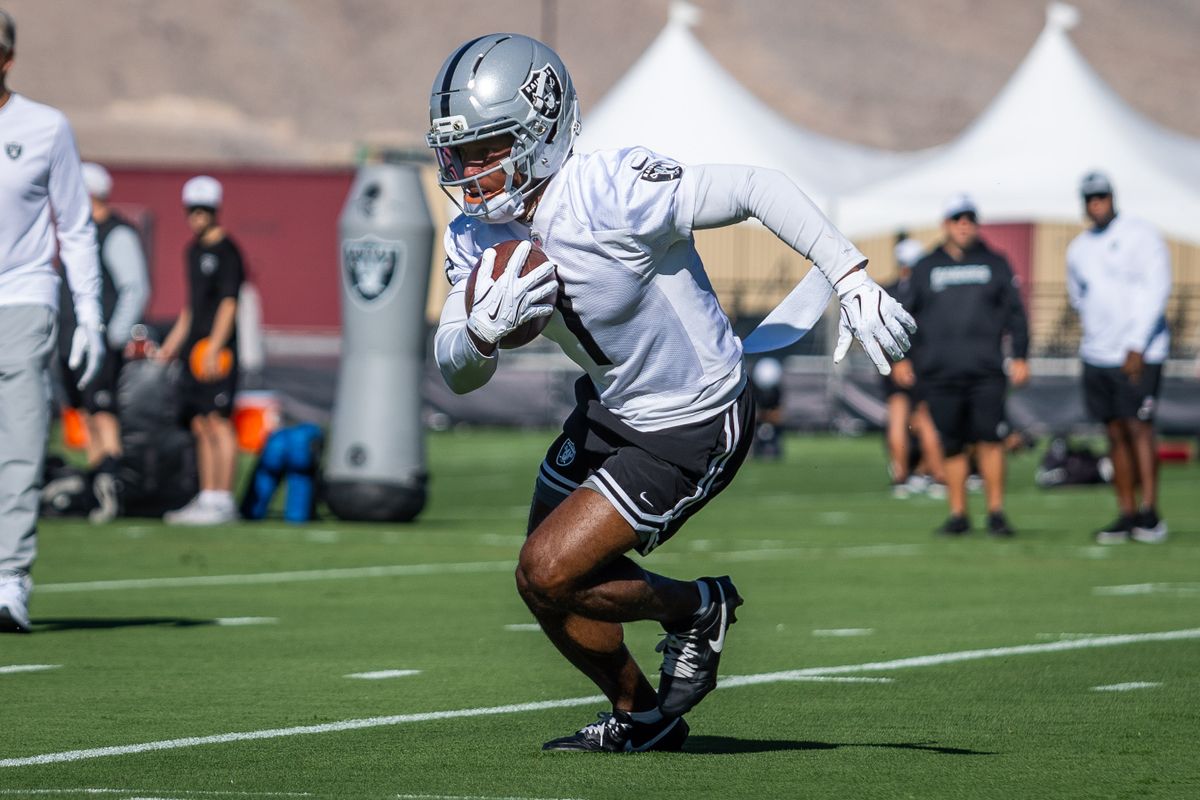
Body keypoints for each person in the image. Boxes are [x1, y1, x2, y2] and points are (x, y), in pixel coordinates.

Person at [426, 33, 915, 752]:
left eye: (485, 148)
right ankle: (644, 718)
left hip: (695, 416)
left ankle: (696, 608)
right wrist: (480, 335)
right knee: (542, 581)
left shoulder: (609, 189)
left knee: (549, 569)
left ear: (540, 129)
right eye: (456, 153)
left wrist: (849, 276)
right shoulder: (473, 234)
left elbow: (756, 187)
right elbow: (454, 368)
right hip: (610, 410)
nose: (467, 172)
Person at [0, 7, 105, 632]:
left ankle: (9, 577)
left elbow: (76, 225)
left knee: (18, 441)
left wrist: (88, 315)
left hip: (24, 296)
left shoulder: (44, 128)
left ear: (7, 58)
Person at [905, 194, 1029, 537]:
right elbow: (905, 314)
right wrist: (900, 358)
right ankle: (958, 514)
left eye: (969, 218)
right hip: (940, 371)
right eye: (957, 218)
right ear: (945, 224)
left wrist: (1020, 355)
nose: (964, 224)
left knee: (990, 439)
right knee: (952, 442)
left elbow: (1016, 314)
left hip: (985, 370)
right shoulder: (926, 267)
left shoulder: (995, 263)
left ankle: (996, 513)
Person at [1067, 171, 1171, 544]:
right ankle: (1126, 513)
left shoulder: (1141, 235)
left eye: (1103, 197)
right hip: (1098, 353)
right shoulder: (1079, 248)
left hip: (1139, 352)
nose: (1097, 204)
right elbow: (1078, 296)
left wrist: (1138, 342)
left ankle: (1150, 512)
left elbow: (1158, 287)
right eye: (1091, 198)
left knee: (1138, 428)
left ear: (1113, 197)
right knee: (1113, 432)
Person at [57, 162, 150, 523]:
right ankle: (97, 486)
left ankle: (112, 489)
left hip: (99, 344)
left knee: (104, 414)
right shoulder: (79, 233)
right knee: (88, 415)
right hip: (73, 342)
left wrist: (113, 336)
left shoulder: (116, 234)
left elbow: (134, 287)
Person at [156, 176, 244, 525]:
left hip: (217, 352)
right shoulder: (192, 251)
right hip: (194, 351)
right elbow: (191, 308)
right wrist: (171, 346)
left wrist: (215, 347)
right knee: (200, 422)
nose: (197, 216)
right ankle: (207, 496)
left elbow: (228, 304)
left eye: (204, 210)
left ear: (215, 211)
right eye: (192, 210)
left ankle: (223, 499)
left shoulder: (227, 252)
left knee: (219, 422)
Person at [882, 235, 945, 498]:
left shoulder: (888, 291)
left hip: (894, 361)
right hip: (923, 364)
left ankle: (901, 476)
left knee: (897, 419)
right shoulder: (929, 291)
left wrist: (896, 361)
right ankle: (938, 475)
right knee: (926, 420)